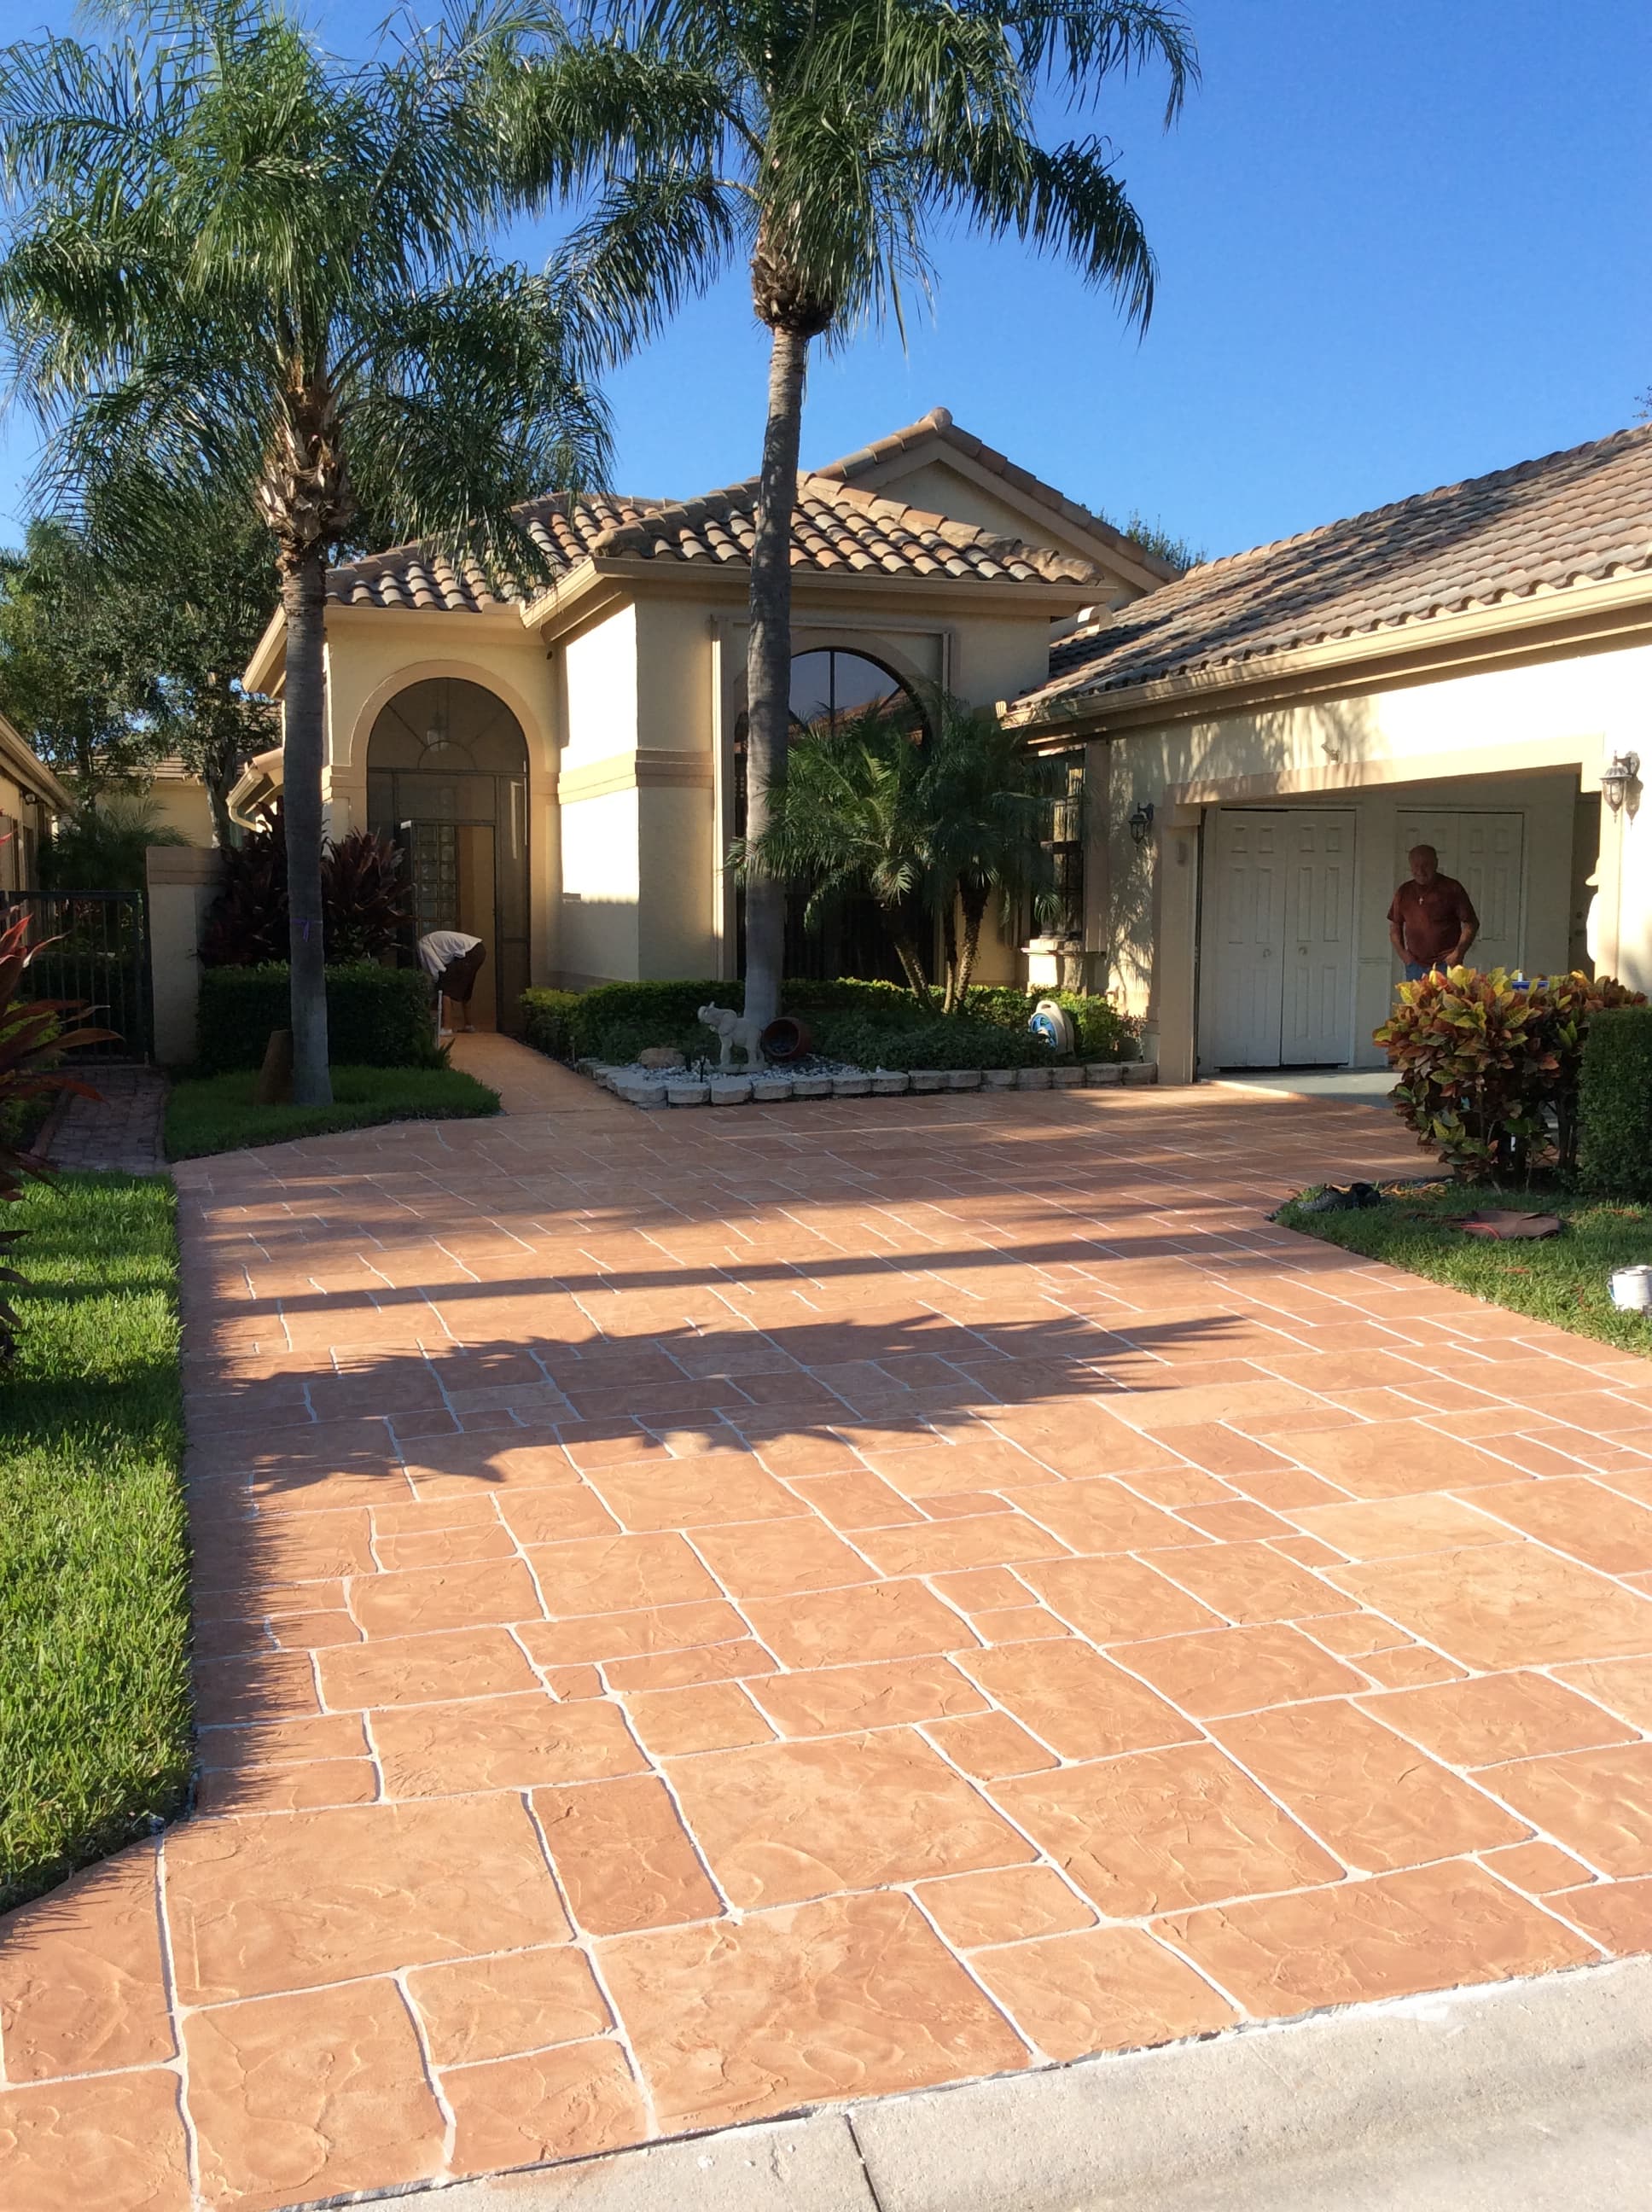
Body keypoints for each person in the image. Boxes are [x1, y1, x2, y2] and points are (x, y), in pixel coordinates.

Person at [1387, 846, 1478, 980]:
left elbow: (1471, 923)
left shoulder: (1452, 888)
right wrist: (1404, 956)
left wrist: (1458, 954)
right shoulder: (1404, 891)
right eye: (1415, 865)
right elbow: (1395, 927)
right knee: (1417, 1002)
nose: (1420, 871)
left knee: (1449, 1002)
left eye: (1426, 865)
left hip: (1447, 965)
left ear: (1436, 863)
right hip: (1415, 967)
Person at [417, 928, 486, 1034]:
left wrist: (438, 986)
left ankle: (447, 1027)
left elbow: (439, 968)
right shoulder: (429, 941)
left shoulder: (422, 945)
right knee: (466, 989)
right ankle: (469, 1025)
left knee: (445, 987)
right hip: (479, 949)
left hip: (469, 951)